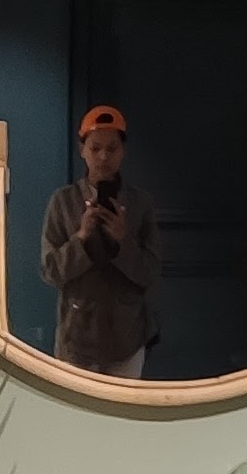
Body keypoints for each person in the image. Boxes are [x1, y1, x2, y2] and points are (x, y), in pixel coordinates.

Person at [40, 102, 158, 378]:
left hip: (127, 339)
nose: (103, 156)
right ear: (82, 150)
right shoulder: (63, 202)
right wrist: (81, 237)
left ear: (123, 151)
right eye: (95, 148)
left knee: (126, 406)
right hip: (76, 338)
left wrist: (123, 241)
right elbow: (50, 272)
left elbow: (150, 273)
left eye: (112, 148)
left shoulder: (140, 204)